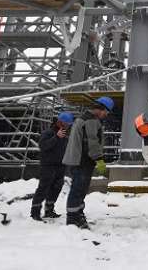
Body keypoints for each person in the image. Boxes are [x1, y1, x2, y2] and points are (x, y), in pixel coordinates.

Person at [62, 97, 114, 229]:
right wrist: (99, 159)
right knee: (78, 189)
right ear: (101, 108)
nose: (106, 115)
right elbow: (91, 143)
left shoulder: (83, 118)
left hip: (78, 160)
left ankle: (77, 214)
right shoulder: (91, 120)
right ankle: (73, 218)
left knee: (80, 189)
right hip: (82, 161)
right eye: (106, 112)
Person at [30, 111, 72, 221]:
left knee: (56, 188)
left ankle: (49, 210)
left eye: (68, 125)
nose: (67, 126)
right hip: (48, 165)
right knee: (43, 188)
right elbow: (43, 146)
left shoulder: (65, 134)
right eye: (66, 124)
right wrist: (56, 137)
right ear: (59, 122)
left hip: (60, 165)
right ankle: (35, 212)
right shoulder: (48, 133)